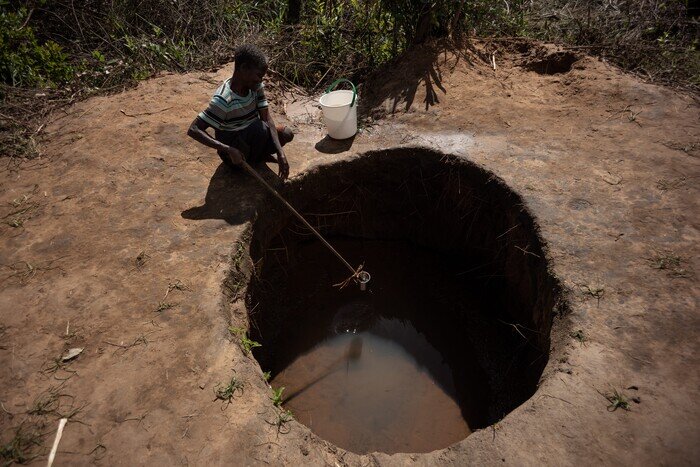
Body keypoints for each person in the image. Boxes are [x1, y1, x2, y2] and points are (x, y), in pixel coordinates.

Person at [187, 44, 293, 179]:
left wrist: (280, 153)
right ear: (243, 68)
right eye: (258, 75)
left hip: (253, 140)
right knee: (257, 127)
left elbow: (266, 118)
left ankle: (257, 157)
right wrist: (229, 150)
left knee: (285, 133)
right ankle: (248, 161)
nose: (260, 80)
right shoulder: (224, 99)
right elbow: (194, 129)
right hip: (236, 150)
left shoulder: (255, 87)